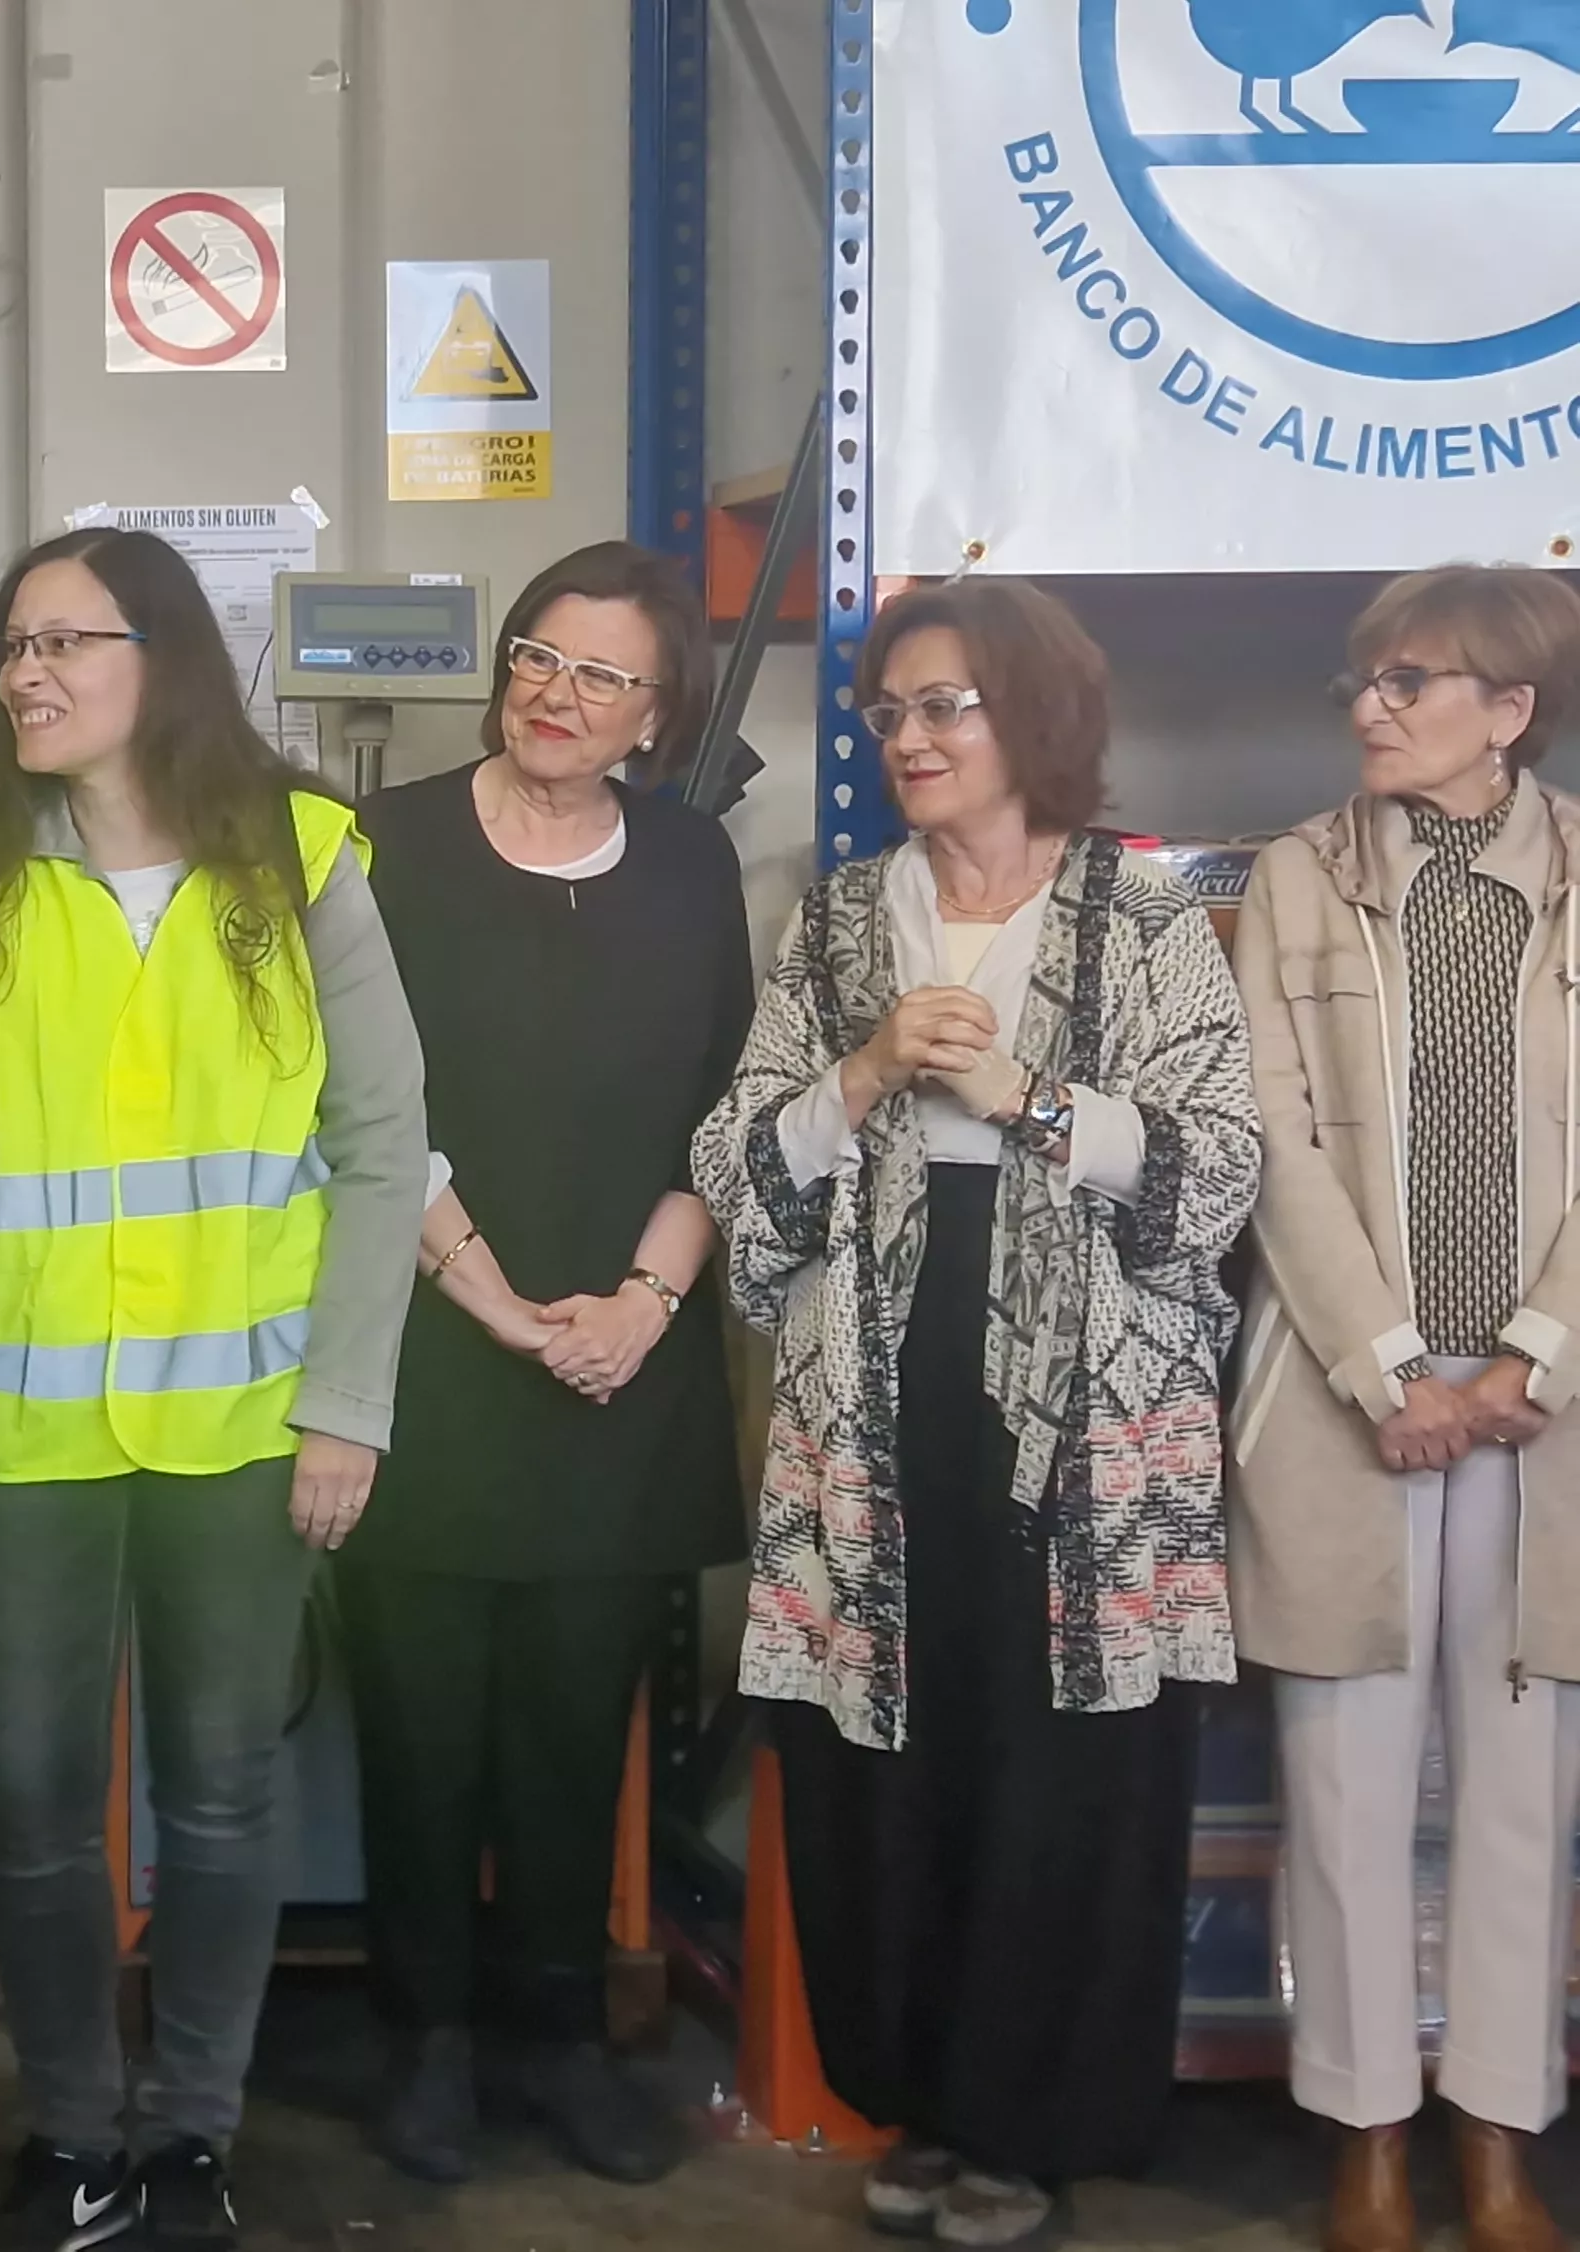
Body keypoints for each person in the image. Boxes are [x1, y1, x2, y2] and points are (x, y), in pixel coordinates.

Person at [0, 526, 428, 2251]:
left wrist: (348, 1405)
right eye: (8, 647)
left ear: (159, 660)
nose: (24, 674)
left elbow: (383, 1149)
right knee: (29, 1803)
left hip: (243, 1429)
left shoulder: (303, 862)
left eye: (63, 644)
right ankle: (72, 2141)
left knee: (223, 1792)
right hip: (22, 1426)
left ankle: (189, 2138)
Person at [690, 576, 1258, 2250]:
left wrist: (1028, 1099)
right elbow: (737, 1169)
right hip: (873, 1388)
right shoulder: (844, 917)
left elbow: (1218, 1171)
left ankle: (1037, 2119)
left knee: (1061, 1754)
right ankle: (922, 2099)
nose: (912, 737)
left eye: (950, 706)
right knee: (891, 1744)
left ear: (1036, 722)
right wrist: (862, 1076)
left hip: (1092, 1415)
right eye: (891, 709)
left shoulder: (1136, 917)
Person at [347, 541, 748, 2189]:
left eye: (602, 676)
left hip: (620, 1361)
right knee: (421, 1727)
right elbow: (356, 1101)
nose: (556, 695)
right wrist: (496, 1298)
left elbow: (732, 1105)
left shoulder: (691, 862)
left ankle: (564, 2036)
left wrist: (645, 1305)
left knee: (581, 1728)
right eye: (535, 654)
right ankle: (430, 2042)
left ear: (658, 714)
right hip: (434, 1353)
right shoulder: (389, 846)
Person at [1231, 563, 1580, 2252]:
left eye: (1413, 681)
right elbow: (1271, 1144)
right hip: (1345, 1403)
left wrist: (1532, 1355)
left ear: (1510, 712)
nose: (1372, 706)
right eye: (1364, 680)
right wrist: (1387, 1365)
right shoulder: (1294, 879)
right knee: (1350, 1785)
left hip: (1547, 1416)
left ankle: (1499, 2128)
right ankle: (1367, 2128)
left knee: (1520, 1792)